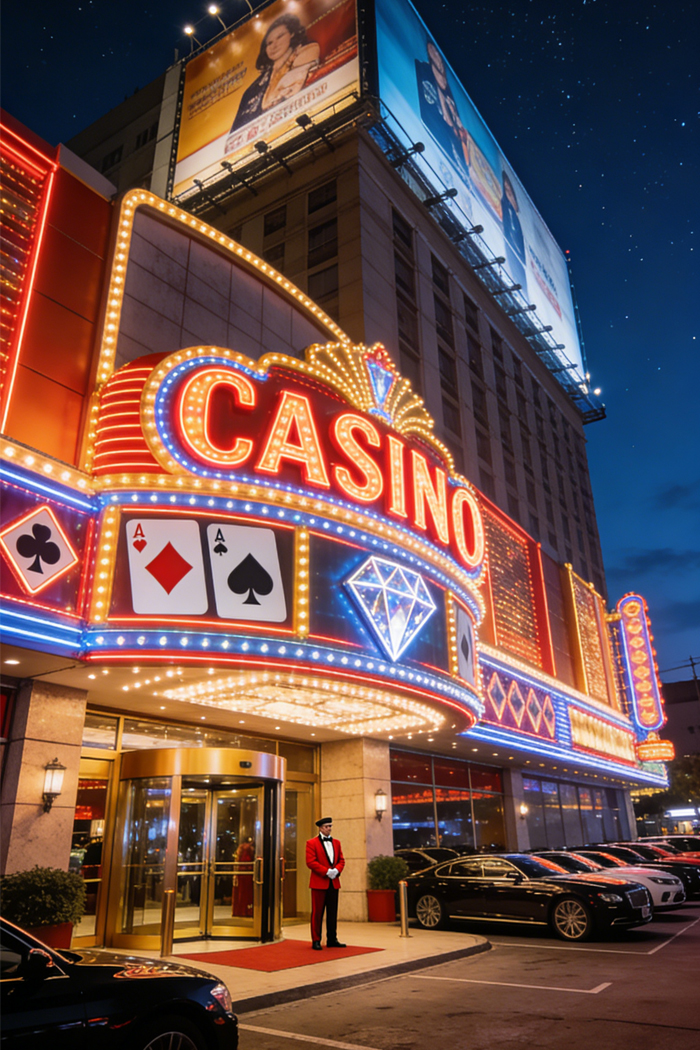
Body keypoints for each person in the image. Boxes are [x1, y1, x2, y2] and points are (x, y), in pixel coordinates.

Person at [230, 14, 320, 132]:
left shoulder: (307, 51)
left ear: (292, 34)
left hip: (297, 126)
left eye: (280, 36)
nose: (274, 45)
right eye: (270, 43)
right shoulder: (252, 90)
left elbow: (288, 92)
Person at [305, 817, 346, 949]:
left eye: (330, 826)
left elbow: (341, 860)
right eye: (327, 826)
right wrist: (327, 871)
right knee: (317, 913)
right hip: (319, 883)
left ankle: (332, 939)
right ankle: (316, 940)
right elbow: (311, 862)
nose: (329, 828)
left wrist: (336, 871)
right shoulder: (311, 843)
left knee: (332, 912)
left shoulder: (337, 843)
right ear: (321, 828)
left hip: (333, 882)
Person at [501, 171, 529, 294]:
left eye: (510, 192)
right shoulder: (507, 212)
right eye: (506, 191)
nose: (509, 195)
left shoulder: (516, 220)